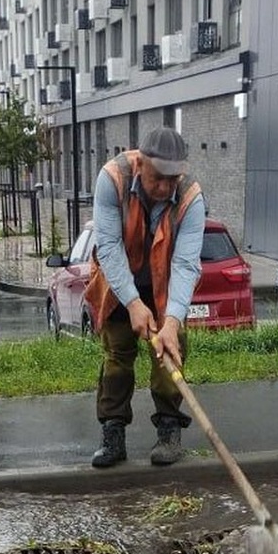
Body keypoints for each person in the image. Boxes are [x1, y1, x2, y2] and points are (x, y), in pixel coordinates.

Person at [83, 126, 206, 468]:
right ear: (141, 165)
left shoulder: (191, 197)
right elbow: (107, 247)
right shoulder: (113, 178)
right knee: (117, 355)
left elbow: (185, 263)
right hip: (119, 281)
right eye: (157, 178)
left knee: (170, 352)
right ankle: (113, 433)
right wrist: (133, 303)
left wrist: (172, 321)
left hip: (165, 286)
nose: (166, 187)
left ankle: (168, 431)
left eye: (172, 179)